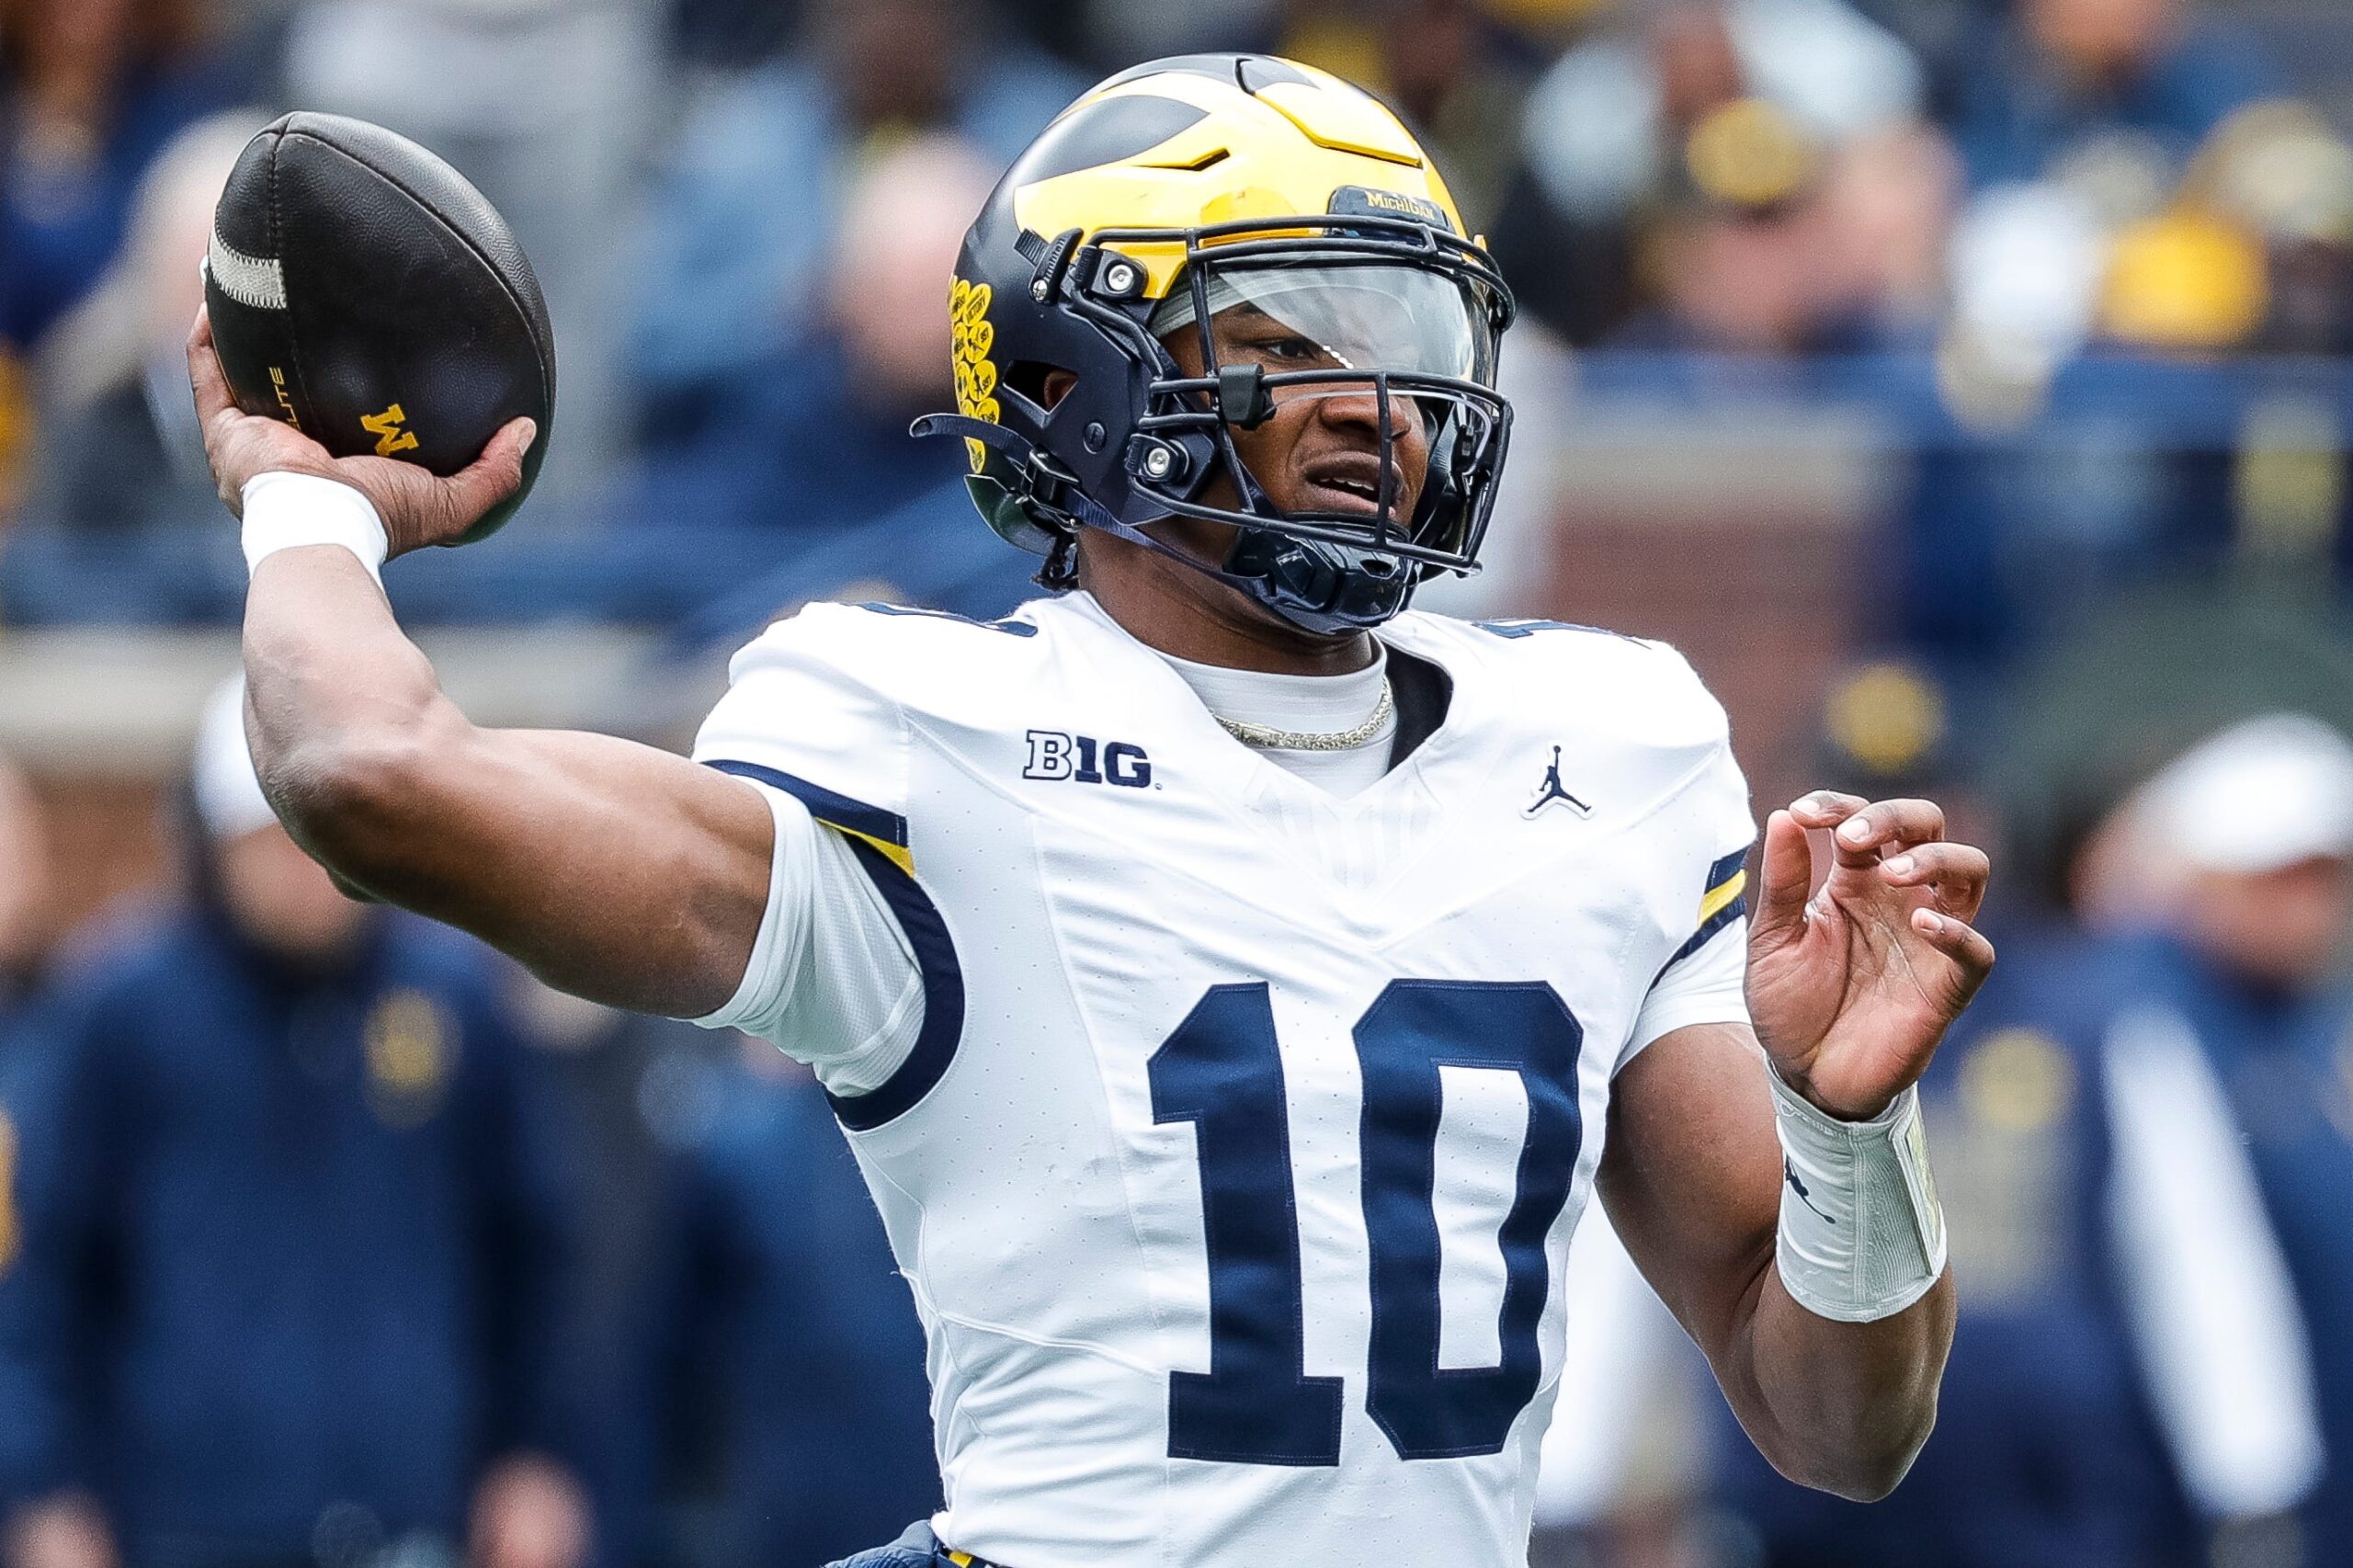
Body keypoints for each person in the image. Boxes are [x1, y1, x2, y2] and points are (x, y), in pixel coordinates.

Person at [185, 55, 1995, 1567]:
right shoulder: (923, 736)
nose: (1381, 408)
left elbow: (1835, 1428)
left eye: (1408, 333)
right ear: (1067, 379)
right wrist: (305, 511)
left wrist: (1847, 1131)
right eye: (1292, 336)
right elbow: (372, 775)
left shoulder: (1608, 737)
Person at [0, 680, 593, 1568]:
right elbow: (49, 1274)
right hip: (185, 1528)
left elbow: (531, 1252)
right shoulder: (122, 1010)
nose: (304, 870)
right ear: (213, 841)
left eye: (322, 836)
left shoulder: (455, 997)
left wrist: (536, 1456)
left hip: (414, 1523)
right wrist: (48, 1492)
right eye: (270, 839)